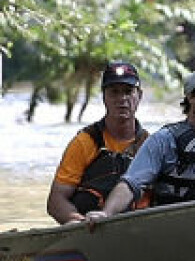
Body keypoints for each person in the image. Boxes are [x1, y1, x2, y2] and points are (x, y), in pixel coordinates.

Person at [95, 65, 195, 216]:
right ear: (191, 97)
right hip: (175, 223)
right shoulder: (163, 140)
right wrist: (106, 213)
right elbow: (130, 183)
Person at [47, 61, 150, 224]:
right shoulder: (84, 142)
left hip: (139, 228)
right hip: (91, 229)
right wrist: (77, 222)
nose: (122, 99)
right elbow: (56, 201)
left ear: (139, 95)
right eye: (114, 92)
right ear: (104, 97)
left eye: (128, 92)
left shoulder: (151, 146)